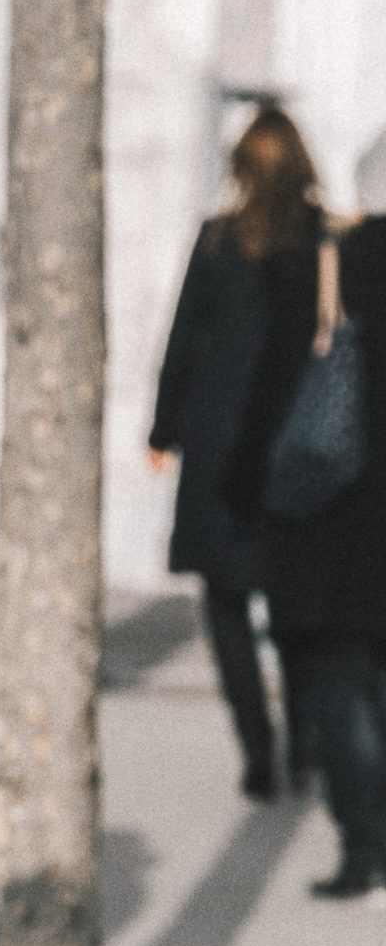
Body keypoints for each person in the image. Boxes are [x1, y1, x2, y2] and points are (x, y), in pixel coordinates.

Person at [149, 107, 321, 799]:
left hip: (221, 452)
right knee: (297, 611)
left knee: (226, 607)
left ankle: (259, 748)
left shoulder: (219, 240)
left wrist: (163, 431)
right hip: (299, 453)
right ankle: (305, 744)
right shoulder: (321, 242)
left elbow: (183, 339)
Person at [228, 207, 386, 896]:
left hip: (329, 540)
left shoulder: (325, 275)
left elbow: (267, 404)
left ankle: (363, 843)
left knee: (341, 692)